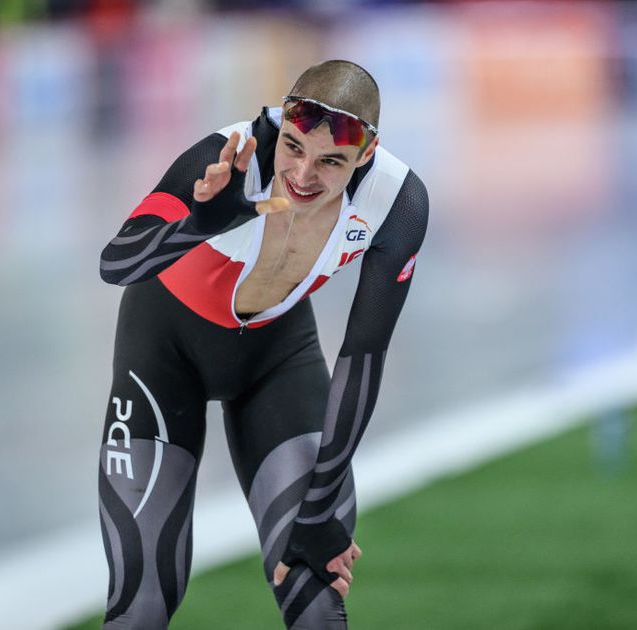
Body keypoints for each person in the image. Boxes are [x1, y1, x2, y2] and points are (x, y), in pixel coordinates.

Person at [97, 59, 429, 629]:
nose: (302, 174)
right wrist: (200, 223)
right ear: (281, 123)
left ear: (365, 156)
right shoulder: (231, 155)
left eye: (332, 162)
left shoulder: (397, 203)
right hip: (162, 351)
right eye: (294, 147)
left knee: (315, 599)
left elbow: (364, 353)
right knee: (142, 606)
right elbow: (116, 263)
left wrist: (321, 508)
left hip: (275, 357)